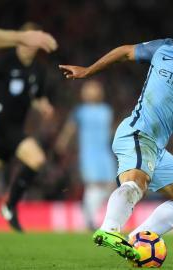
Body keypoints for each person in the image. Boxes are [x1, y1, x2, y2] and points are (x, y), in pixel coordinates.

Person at [59, 6, 173, 262]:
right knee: (137, 182)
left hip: (156, 147)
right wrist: (88, 71)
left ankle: (139, 238)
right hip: (137, 131)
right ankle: (109, 229)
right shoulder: (165, 49)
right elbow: (126, 51)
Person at [0, 22, 55, 232]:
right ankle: (9, 205)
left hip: (15, 129)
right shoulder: (5, 62)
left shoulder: (39, 70)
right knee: (37, 159)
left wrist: (43, 106)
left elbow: (36, 98)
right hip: (1, 125)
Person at [55, 80, 117, 230]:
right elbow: (69, 129)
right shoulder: (80, 111)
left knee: (112, 184)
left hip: (105, 153)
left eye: (94, 88)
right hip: (89, 154)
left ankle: (88, 210)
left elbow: (111, 131)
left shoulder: (106, 110)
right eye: (87, 89)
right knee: (94, 184)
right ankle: (89, 219)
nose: (90, 91)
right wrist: (62, 143)